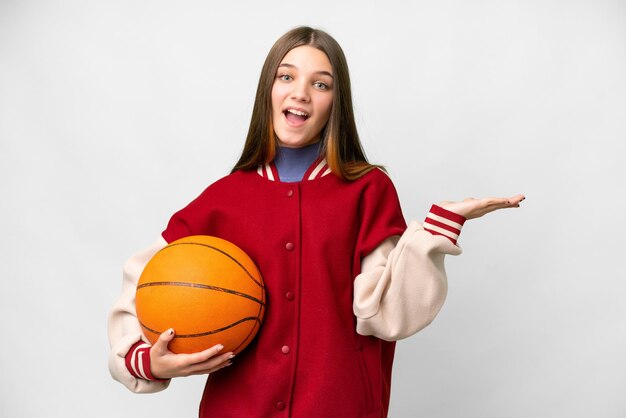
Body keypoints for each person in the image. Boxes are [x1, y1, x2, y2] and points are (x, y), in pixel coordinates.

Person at [108, 26, 524, 417]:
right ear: (268, 90)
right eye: (286, 77)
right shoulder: (224, 198)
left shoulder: (368, 190)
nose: (301, 93)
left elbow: (386, 313)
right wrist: (149, 361)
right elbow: (147, 285)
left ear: (334, 102)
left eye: (320, 83)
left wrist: (439, 228)